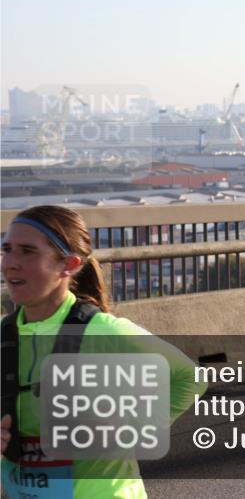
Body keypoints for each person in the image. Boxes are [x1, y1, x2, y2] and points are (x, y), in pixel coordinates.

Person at [1, 205, 206, 498]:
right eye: (7, 249)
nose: (10, 262)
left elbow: (189, 377)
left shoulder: (104, 331)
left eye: (27, 251)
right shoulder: (4, 336)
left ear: (69, 264)